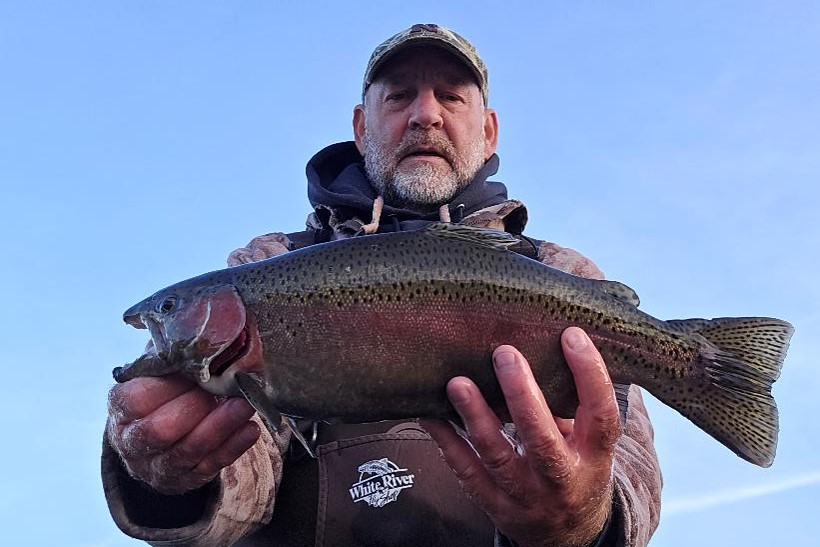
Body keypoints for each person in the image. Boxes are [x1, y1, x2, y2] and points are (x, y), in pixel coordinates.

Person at [103, 23, 662, 546]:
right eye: (397, 97)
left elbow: (632, 468)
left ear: (488, 132)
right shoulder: (273, 263)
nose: (425, 115)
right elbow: (248, 476)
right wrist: (168, 476)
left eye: (451, 95)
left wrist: (588, 517)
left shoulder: (564, 275)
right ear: (359, 126)